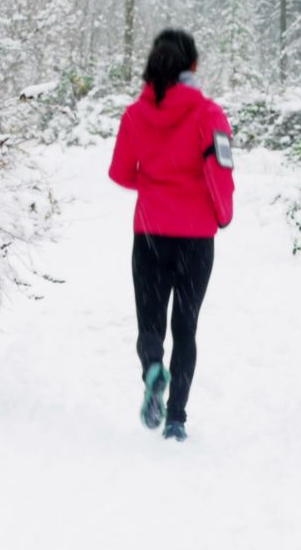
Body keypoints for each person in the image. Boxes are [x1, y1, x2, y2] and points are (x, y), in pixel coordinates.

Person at [108, 29, 235, 442]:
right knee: (186, 326)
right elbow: (221, 169)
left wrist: (154, 179)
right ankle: (177, 419)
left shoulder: (134, 115)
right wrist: (221, 214)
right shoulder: (209, 114)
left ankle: (151, 369)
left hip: (149, 233)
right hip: (195, 239)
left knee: (150, 324)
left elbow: (121, 173)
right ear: (193, 66)